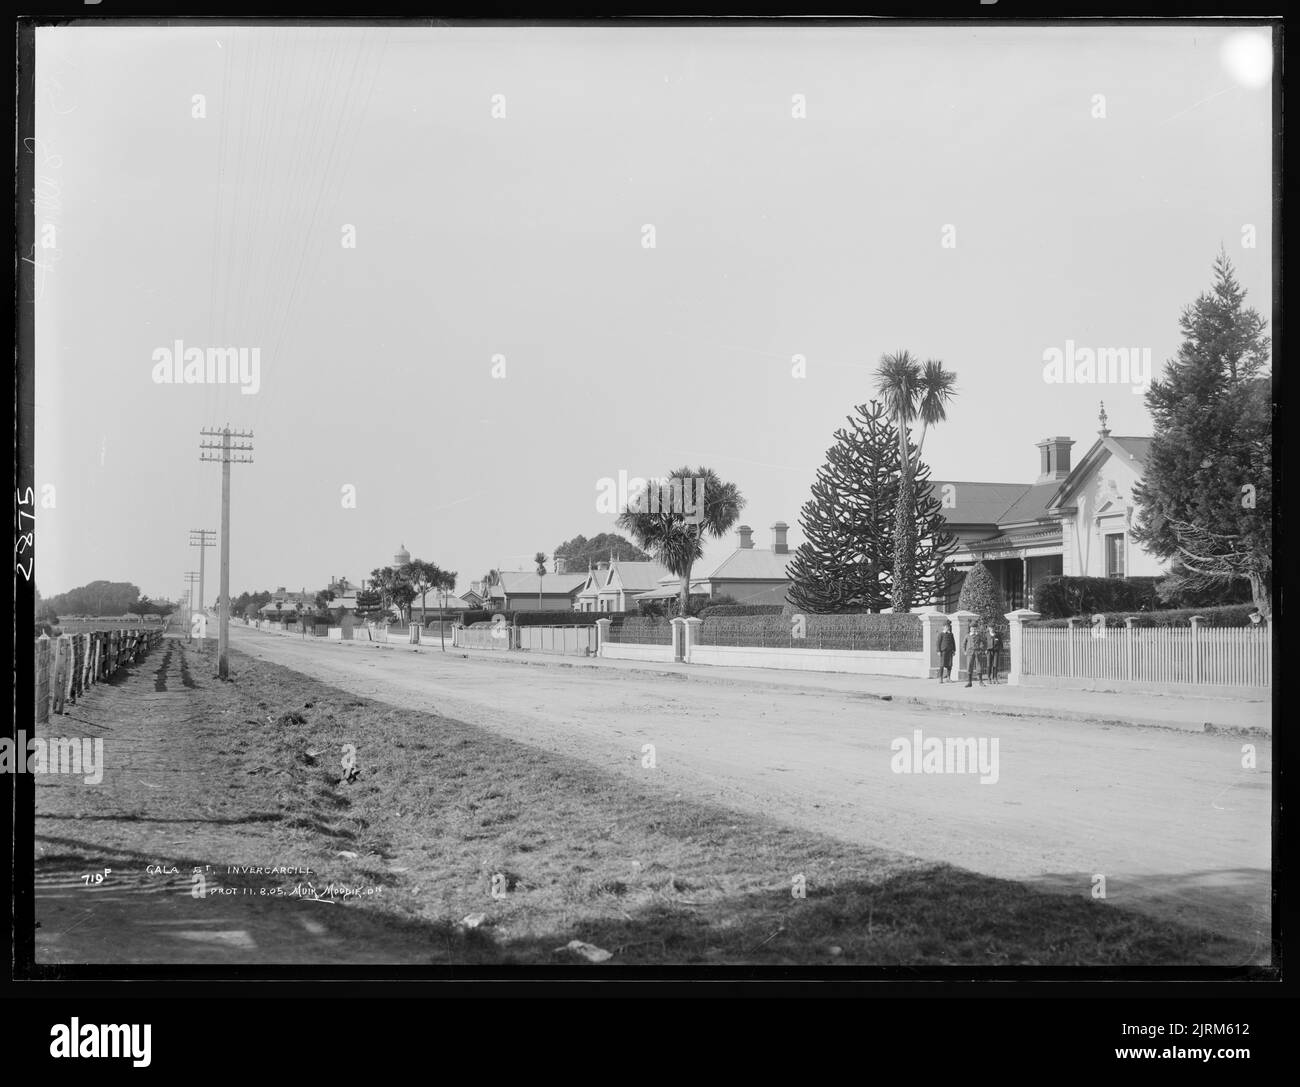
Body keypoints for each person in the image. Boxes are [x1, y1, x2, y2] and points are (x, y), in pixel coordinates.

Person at [963, 622, 986, 687]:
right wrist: (964, 651)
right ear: (970, 629)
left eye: (975, 628)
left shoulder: (979, 635)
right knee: (969, 667)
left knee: (979, 666)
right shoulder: (967, 635)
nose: (973, 629)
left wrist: (982, 649)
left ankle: (981, 682)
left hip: (977, 653)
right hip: (970, 653)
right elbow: (963, 644)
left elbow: (984, 642)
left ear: (976, 628)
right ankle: (969, 682)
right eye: (972, 628)